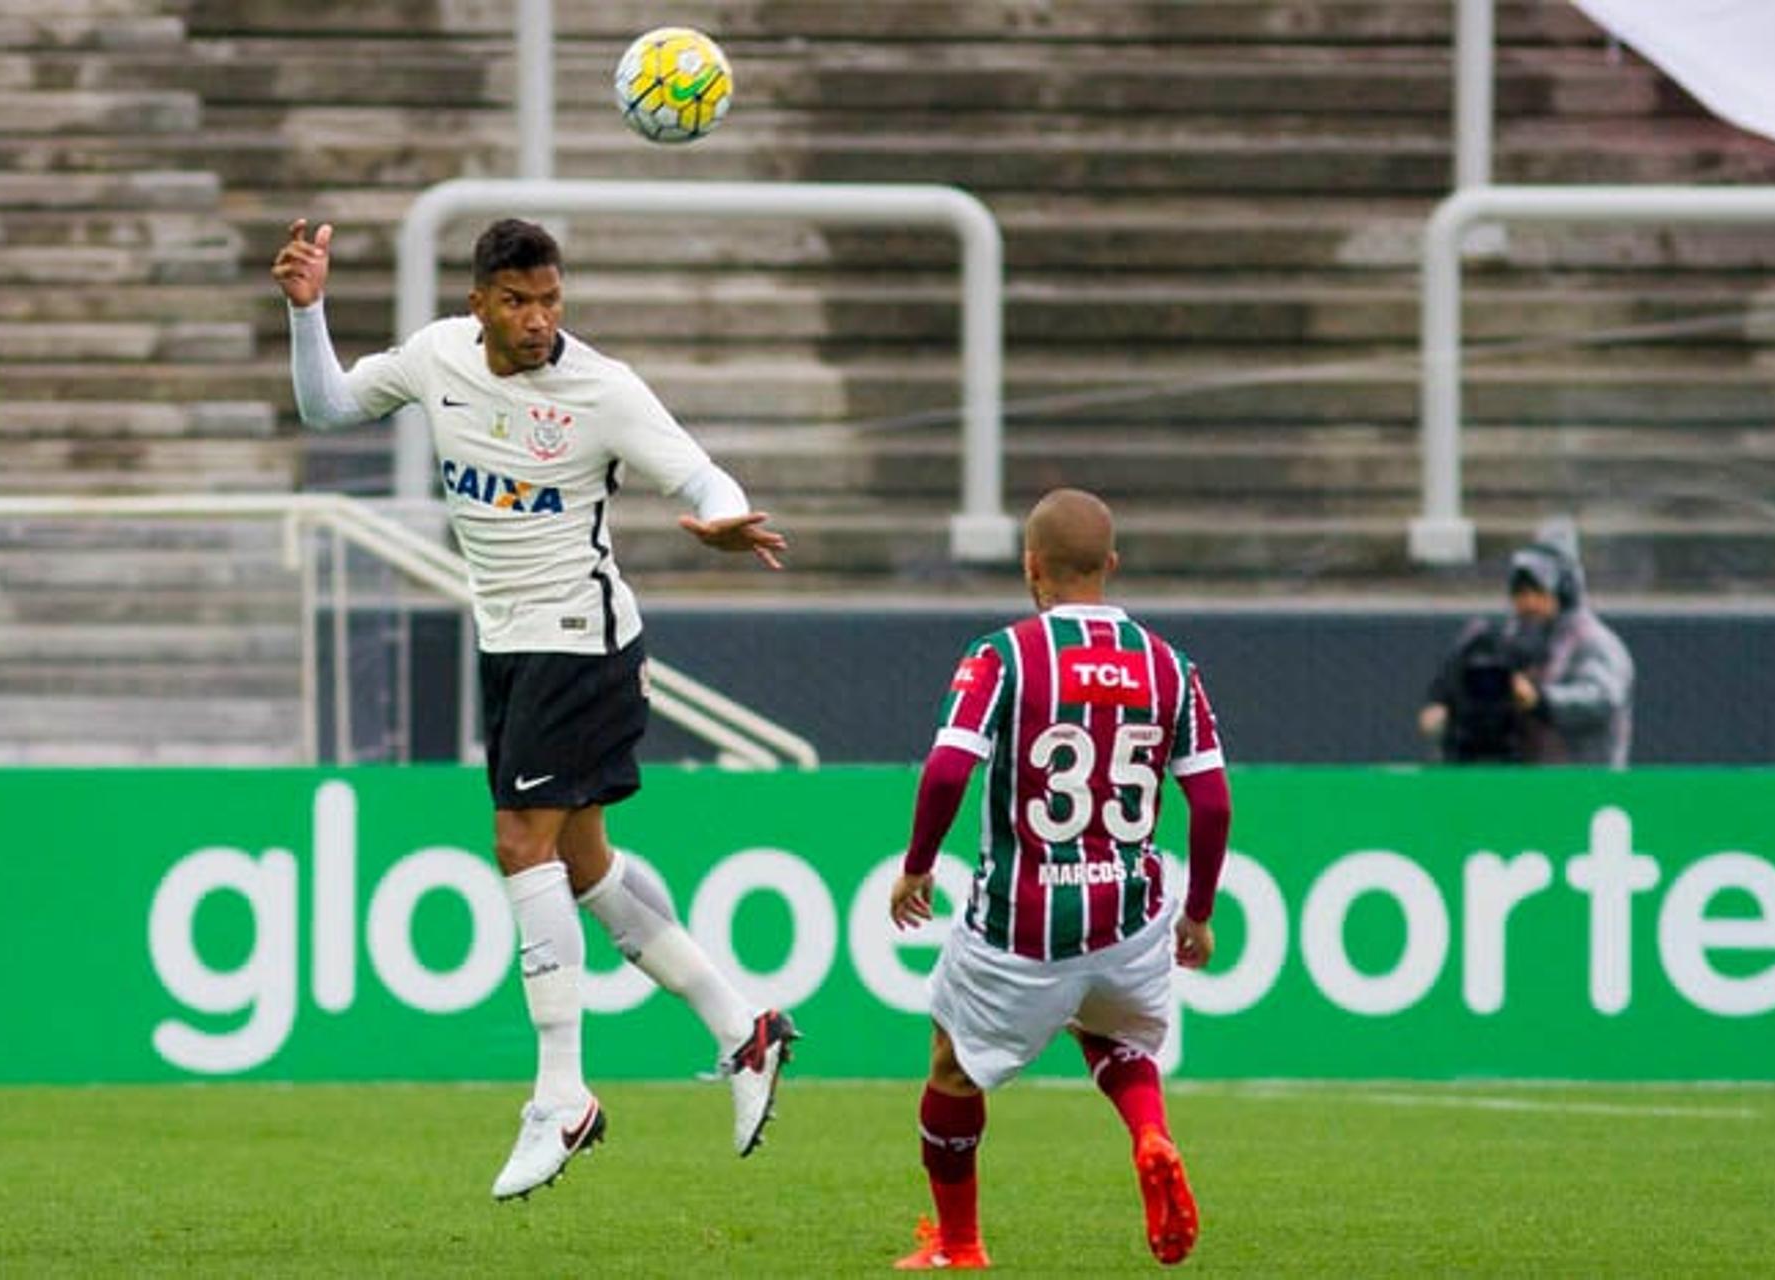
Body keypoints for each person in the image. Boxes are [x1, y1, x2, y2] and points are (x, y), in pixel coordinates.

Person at [271, 216, 800, 1200]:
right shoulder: (436, 355)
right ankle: (745, 1025)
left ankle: (560, 1093)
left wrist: (723, 518)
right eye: (518, 301)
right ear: (479, 303)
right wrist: (309, 313)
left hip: (581, 637)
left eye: (551, 300)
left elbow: (697, 470)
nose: (538, 320)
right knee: (585, 864)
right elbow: (331, 407)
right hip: (511, 642)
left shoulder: (599, 387)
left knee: (522, 843)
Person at [887, 488, 1233, 1270]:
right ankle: (1150, 1134)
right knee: (1114, 1030)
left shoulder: (1004, 655)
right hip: (1130, 915)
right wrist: (1199, 912)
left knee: (950, 1063)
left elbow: (947, 770)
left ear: (1030, 565)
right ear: (1111, 565)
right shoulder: (1168, 665)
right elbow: (1210, 799)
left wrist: (917, 866)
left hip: (1022, 923)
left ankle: (959, 1243)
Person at [1418, 519, 1634, 766]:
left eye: (1538, 593)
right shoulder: (1504, 639)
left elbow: (1602, 699)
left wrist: (1540, 700)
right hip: (1524, 783)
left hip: (1584, 784)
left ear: (1563, 593)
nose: (1528, 603)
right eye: (1520, 593)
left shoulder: (1593, 642)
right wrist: (1443, 703)